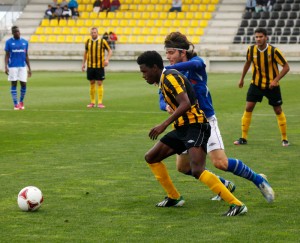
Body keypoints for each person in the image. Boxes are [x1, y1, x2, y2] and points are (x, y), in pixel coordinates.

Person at [163, 31, 275, 203]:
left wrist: (166, 69)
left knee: (220, 163)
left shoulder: (196, 64)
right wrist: (167, 106)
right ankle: (224, 185)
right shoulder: (170, 75)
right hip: (185, 124)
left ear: (182, 52)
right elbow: (161, 98)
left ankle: (258, 179)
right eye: (166, 53)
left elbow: (194, 64)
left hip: (205, 120)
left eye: (171, 53)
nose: (168, 57)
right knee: (184, 167)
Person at [137, 50, 248, 216]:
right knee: (151, 157)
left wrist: (163, 125)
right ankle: (174, 197)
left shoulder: (170, 77)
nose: (143, 76)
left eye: (144, 71)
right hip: (183, 128)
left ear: (154, 68)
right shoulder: (164, 79)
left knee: (197, 169)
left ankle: (237, 205)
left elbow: (185, 103)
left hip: (196, 126)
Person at [234, 27, 290, 147]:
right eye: (257, 37)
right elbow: (248, 63)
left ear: (266, 37)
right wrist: (242, 78)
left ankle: (284, 139)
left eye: (261, 37)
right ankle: (243, 138)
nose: (258, 39)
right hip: (256, 84)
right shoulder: (251, 49)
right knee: (248, 107)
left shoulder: (274, 51)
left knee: (278, 110)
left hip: (271, 86)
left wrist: (275, 80)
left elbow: (286, 67)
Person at [82, 27, 112, 108]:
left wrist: (107, 60)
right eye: (92, 32)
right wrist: (83, 63)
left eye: (95, 32)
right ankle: (92, 102)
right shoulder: (87, 41)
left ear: (97, 33)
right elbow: (85, 53)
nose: (93, 34)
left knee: (99, 83)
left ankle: (100, 102)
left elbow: (110, 51)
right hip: (90, 66)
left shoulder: (102, 41)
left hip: (99, 66)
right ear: (90, 33)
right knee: (91, 83)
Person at [4, 26, 32, 110]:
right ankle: (15, 104)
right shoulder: (8, 42)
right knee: (14, 84)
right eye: (15, 32)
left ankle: (21, 102)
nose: (17, 33)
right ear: (13, 33)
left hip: (22, 67)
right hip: (12, 67)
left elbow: (26, 55)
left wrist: (29, 68)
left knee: (23, 84)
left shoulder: (25, 42)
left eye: (18, 31)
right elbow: (7, 55)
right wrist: (5, 66)